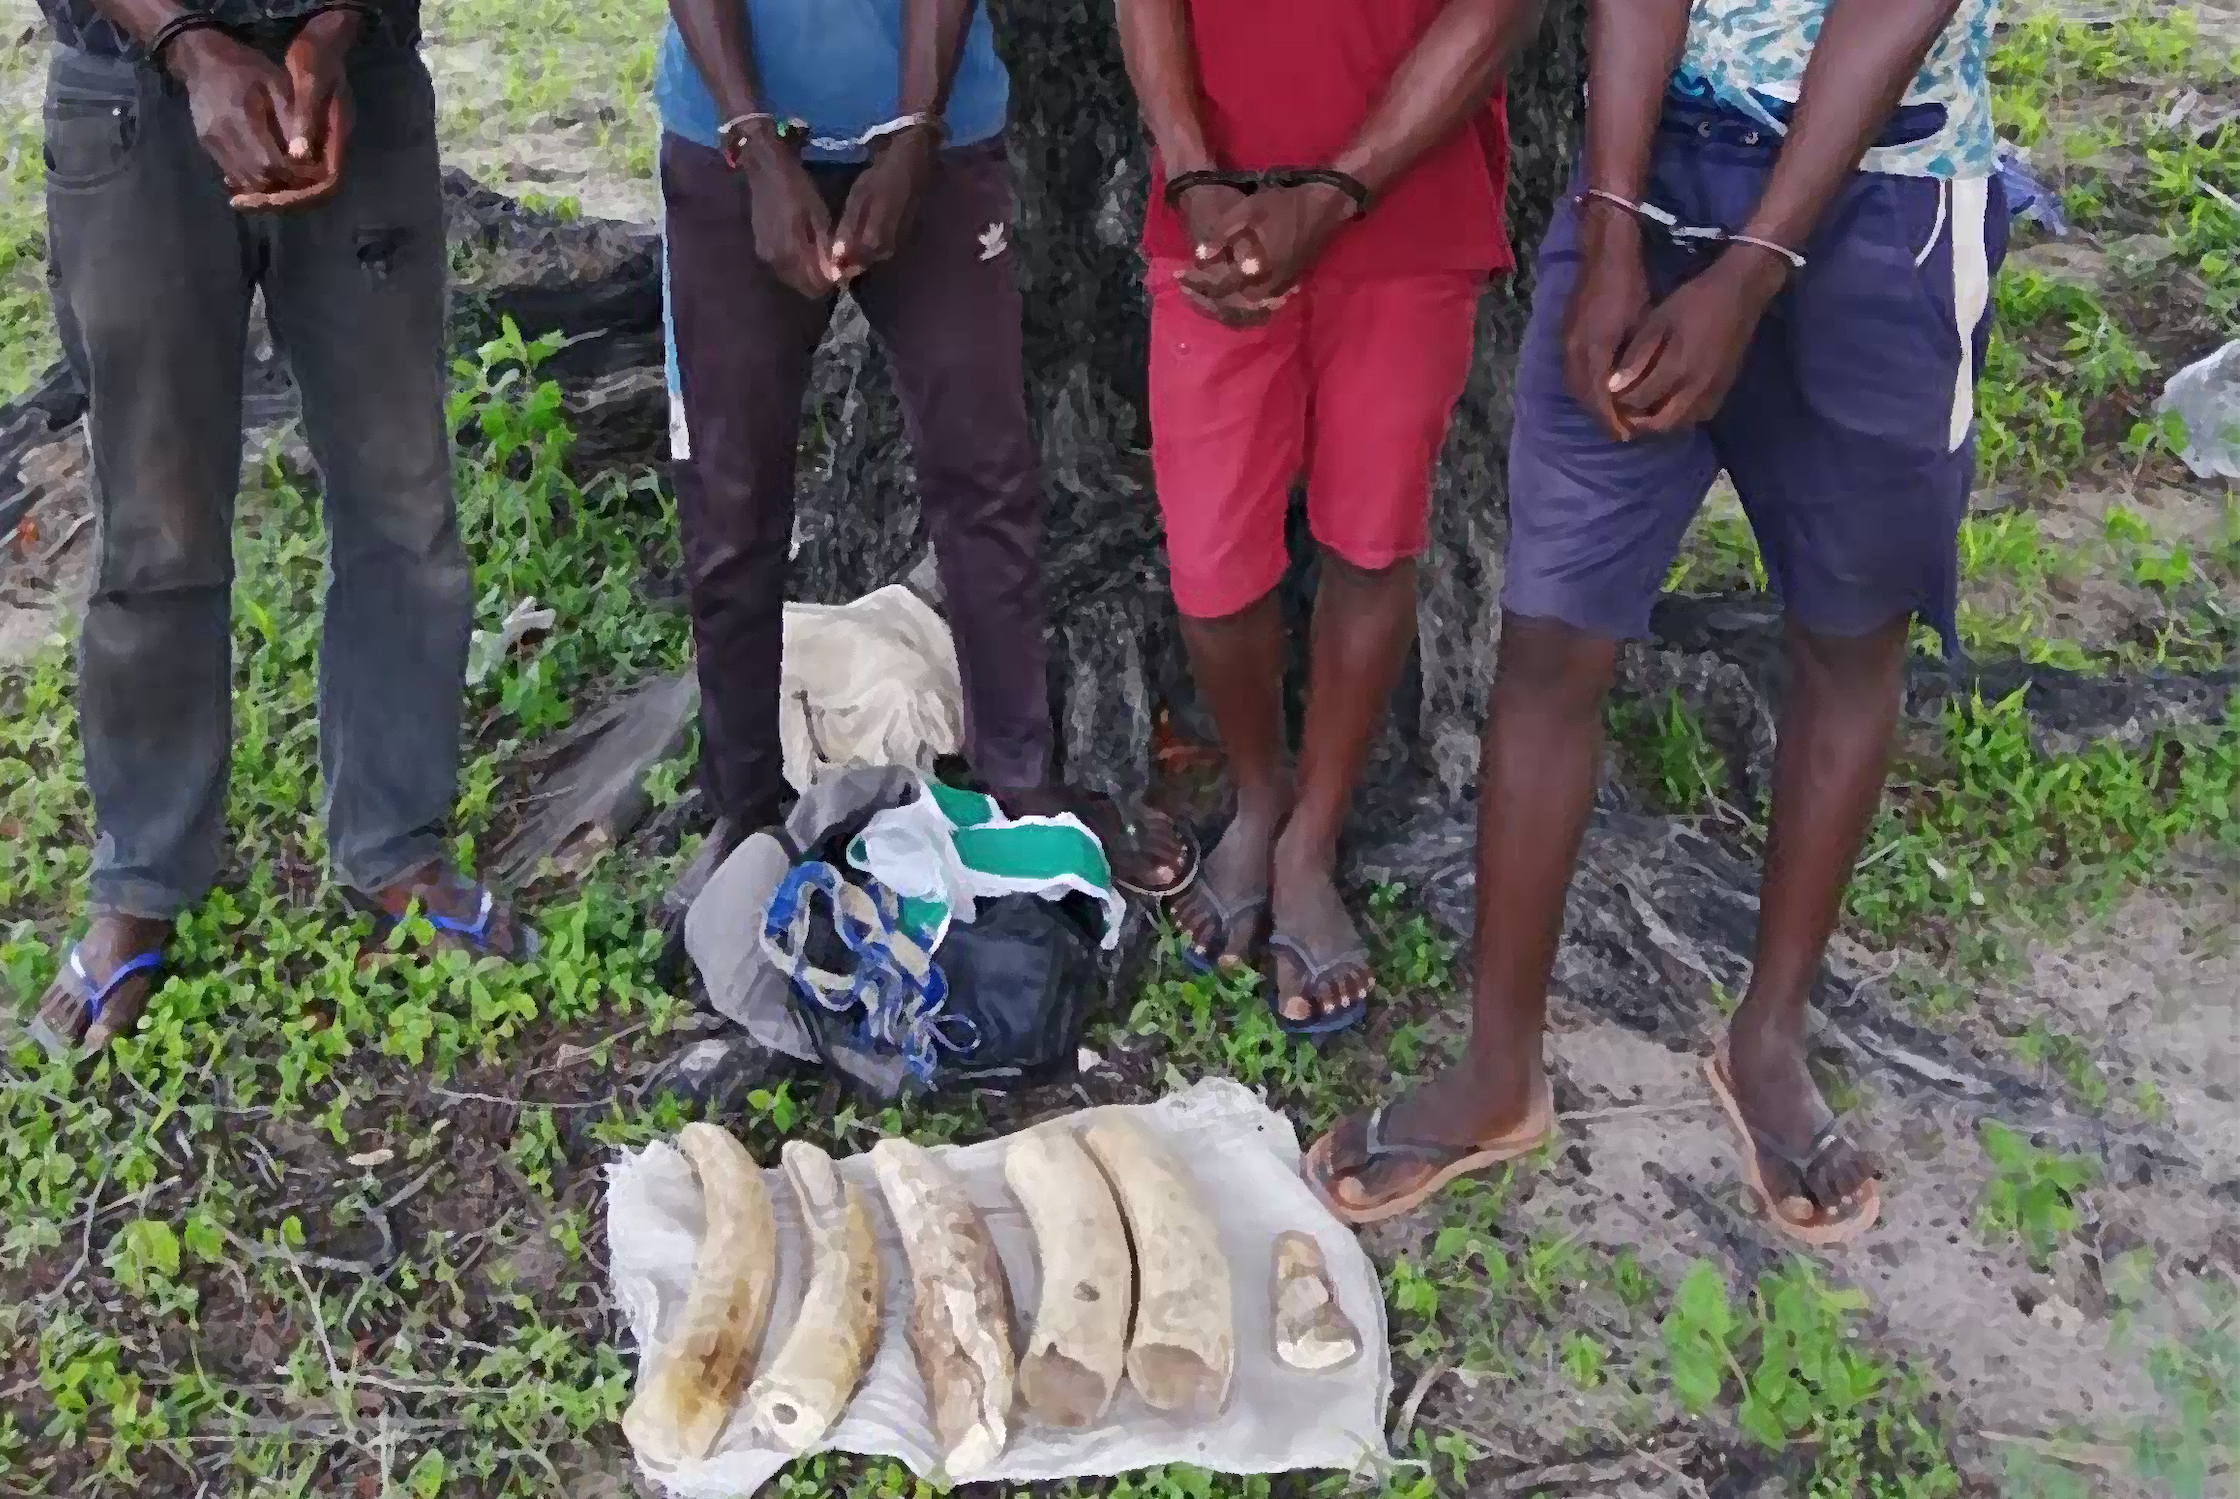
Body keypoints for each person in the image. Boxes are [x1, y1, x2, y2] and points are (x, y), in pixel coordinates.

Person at [1306, 0, 2005, 1241]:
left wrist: (1747, 272)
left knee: (1849, 640)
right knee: (1551, 633)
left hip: (1891, 188)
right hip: (1653, 159)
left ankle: (1769, 1035)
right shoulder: (1623, 204)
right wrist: (1616, 223)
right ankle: (1497, 1068)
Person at [28, 0, 529, 1057]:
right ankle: (145, 873)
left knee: (401, 494)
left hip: (359, 87)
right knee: (154, 517)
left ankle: (395, 838)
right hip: (130, 95)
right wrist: (188, 44)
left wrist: (333, 34)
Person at [654, 0, 1191, 913]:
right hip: (724, 145)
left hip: (940, 141)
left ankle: (1018, 785)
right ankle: (742, 807)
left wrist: (914, 137)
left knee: (985, 474)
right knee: (730, 492)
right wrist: (751, 141)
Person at [1118, 0, 1535, 1033]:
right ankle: (1259, 795)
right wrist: (1192, 173)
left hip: (1411, 203)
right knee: (1210, 562)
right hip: (1213, 215)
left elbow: (1498, 15)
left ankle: (1313, 833)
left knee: (1370, 537)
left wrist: (1340, 190)